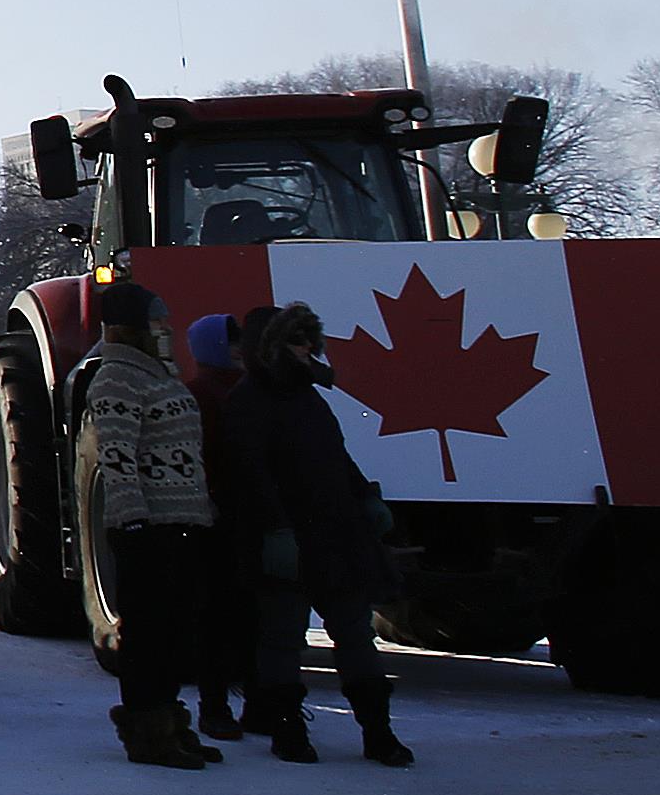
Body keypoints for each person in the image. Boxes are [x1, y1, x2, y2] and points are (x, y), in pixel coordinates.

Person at [218, 302, 411, 766]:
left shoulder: (306, 397)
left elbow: (335, 458)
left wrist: (365, 495)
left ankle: (377, 730)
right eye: (296, 341)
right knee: (284, 639)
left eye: (309, 340)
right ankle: (287, 728)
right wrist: (276, 530)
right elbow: (248, 475)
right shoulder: (250, 403)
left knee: (353, 635)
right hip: (288, 538)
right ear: (272, 347)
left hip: (332, 535)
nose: (307, 349)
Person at [73, 283, 217, 769]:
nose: (164, 329)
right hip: (149, 526)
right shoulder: (116, 379)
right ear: (127, 328)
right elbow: (117, 457)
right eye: (153, 321)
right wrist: (132, 521)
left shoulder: (158, 374)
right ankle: (147, 731)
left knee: (177, 631)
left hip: (184, 519)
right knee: (150, 634)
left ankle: (171, 720)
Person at [179, 310, 258, 742]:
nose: (239, 351)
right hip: (217, 519)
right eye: (231, 343)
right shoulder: (201, 395)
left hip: (241, 514)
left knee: (241, 616)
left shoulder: (243, 390)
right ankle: (217, 706)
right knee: (220, 616)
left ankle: (247, 703)